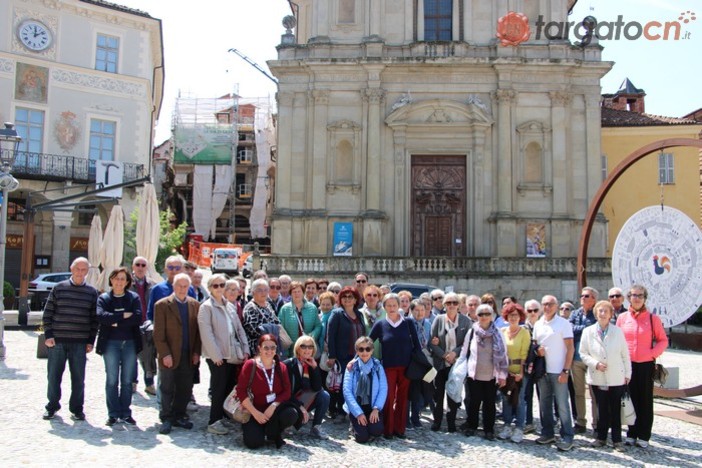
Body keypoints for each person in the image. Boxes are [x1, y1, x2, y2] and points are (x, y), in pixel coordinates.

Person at [42, 257, 99, 421]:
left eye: (83, 270)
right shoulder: (59, 288)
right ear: (72, 269)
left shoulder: (92, 292)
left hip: (80, 343)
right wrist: (48, 335)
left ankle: (77, 408)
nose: (80, 273)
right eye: (78, 269)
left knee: (79, 378)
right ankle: (52, 406)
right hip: (58, 341)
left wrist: (90, 341)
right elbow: (48, 313)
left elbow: (94, 320)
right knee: (53, 376)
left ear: (87, 272)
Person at [198, 274, 251, 435]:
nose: (219, 288)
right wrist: (216, 355)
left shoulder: (229, 306)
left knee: (228, 388)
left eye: (222, 285)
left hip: (232, 355)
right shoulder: (206, 307)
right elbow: (206, 333)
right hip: (218, 357)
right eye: (216, 286)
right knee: (218, 388)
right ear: (210, 288)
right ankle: (213, 421)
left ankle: (222, 417)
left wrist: (246, 348)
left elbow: (239, 329)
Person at [616, 284, 668, 449]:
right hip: (627, 364)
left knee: (645, 400)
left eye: (640, 295)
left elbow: (663, 340)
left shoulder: (653, 319)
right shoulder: (622, 318)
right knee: (629, 399)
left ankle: (644, 435)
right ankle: (631, 433)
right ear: (629, 297)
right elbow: (617, 340)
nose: (636, 298)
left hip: (646, 365)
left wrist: (652, 354)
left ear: (644, 298)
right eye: (633, 295)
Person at [153, 273, 201, 435]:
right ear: (173, 287)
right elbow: (158, 334)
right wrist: (164, 354)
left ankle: (179, 415)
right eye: (179, 286)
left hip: (188, 354)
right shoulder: (162, 305)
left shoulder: (195, 305)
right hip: (169, 354)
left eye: (185, 286)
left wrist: (196, 352)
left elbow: (198, 334)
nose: (182, 289)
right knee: (166, 387)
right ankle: (166, 417)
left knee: (185, 387)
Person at [579, 300, 631, 451]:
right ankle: (601, 438)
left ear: (611, 314)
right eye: (600, 311)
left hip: (616, 376)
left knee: (615, 409)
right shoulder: (588, 332)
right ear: (595, 313)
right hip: (598, 376)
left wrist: (628, 373)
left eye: (605, 311)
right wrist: (595, 364)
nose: (602, 314)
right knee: (601, 408)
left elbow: (625, 355)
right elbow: (583, 353)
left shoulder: (618, 332)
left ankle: (617, 440)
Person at [369, 293, 421, 439]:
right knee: (389, 397)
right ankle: (388, 429)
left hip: (406, 367)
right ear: (384, 307)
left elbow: (416, 345)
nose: (391, 308)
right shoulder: (380, 324)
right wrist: (356, 359)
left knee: (403, 399)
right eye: (388, 305)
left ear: (399, 306)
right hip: (388, 367)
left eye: (394, 305)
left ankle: (400, 429)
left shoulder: (408, 322)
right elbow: (368, 342)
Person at [96, 267, 143, 426]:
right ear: (111, 280)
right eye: (116, 278)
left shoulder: (133, 298)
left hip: (129, 342)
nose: (119, 282)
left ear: (127, 282)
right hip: (110, 343)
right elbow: (102, 316)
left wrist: (115, 321)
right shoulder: (104, 298)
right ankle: (113, 413)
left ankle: (125, 412)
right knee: (111, 379)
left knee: (127, 380)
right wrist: (123, 315)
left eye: (123, 279)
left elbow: (137, 318)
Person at [237, 334, 297, 449]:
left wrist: (274, 405)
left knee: (291, 414)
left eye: (273, 347)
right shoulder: (250, 365)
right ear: (259, 348)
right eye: (266, 348)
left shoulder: (282, 367)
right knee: (253, 443)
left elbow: (287, 391)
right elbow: (241, 391)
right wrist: (255, 412)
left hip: (273, 410)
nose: (270, 351)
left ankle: (273, 432)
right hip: (253, 410)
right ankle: (259, 430)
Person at [533, 295, 575, 451]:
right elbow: (535, 346)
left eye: (550, 304)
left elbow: (570, 348)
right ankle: (548, 432)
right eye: (544, 304)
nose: (547, 307)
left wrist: (566, 370)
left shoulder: (563, 324)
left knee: (563, 404)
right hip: (543, 371)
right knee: (544, 404)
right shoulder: (538, 324)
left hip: (559, 371)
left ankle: (567, 436)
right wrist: (538, 351)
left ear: (556, 306)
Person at [460, 304, 508, 440]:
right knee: (474, 402)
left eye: (487, 314)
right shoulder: (472, 332)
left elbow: (504, 355)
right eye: (481, 314)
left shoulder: (498, 333)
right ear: (477, 316)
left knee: (489, 403)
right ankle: (472, 426)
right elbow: (464, 352)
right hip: (474, 373)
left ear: (492, 315)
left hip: (491, 374)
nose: (484, 317)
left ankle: (488, 429)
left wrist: (502, 375)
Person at [428, 292, 471, 433]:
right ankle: (437, 421)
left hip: (456, 364)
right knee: (438, 395)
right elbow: (432, 342)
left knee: (453, 394)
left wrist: (454, 353)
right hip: (440, 363)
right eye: (448, 303)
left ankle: (451, 421)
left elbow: (468, 342)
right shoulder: (439, 320)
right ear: (444, 305)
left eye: (454, 303)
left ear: (459, 305)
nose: (451, 305)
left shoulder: (465, 321)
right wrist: (444, 355)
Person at [326, 286, 367, 419]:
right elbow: (330, 335)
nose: (347, 299)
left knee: (354, 384)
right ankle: (339, 410)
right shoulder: (337, 313)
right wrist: (331, 356)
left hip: (357, 356)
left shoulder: (359, 314)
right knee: (342, 384)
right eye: (344, 296)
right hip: (341, 356)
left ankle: (351, 410)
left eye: (350, 297)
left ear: (356, 299)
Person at [343, 336, 388, 443]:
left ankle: (368, 425)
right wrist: (358, 413)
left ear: (372, 350)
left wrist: (376, 409)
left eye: (367, 349)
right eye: (361, 349)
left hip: (372, 407)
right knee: (362, 438)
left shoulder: (378, 366)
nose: (364, 352)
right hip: (357, 408)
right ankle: (354, 425)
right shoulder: (351, 367)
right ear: (357, 351)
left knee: (377, 431)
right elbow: (347, 390)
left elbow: (383, 388)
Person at [284, 336, 330, 439]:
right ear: (297, 348)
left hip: (304, 399)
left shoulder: (311, 364)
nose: (307, 350)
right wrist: (300, 407)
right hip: (289, 401)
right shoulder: (288, 364)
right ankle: (288, 423)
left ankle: (316, 427)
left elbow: (317, 388)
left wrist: (314, 368)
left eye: (310, 347)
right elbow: (285, 393)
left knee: (324, 395)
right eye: (303, 346)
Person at [498, 303, 530, 443]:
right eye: (511, 315)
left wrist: (521, 373)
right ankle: (506, 425)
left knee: (520, 400)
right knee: (506, 398)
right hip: (505, 370)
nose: (513, 318)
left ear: (520, 317)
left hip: (518, 370)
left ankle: (519, 427)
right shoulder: (503, 331)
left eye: (516, 315)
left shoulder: (524, 332)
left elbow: (525, 354)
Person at [569, 287, 598, 433]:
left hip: (593, 359)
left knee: (594, 393)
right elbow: (570, 328)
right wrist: (585, 328)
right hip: (577, 358)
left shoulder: (598, 313)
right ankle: (580, 422)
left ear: (594, 299)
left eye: (586, 296)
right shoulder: (575, 313)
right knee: (578, 392)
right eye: (582, 296)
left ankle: (596, 423)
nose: (583, 298)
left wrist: (579, 329)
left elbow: (595, 330)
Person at [130, 256, 156, 395]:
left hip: (147, 324)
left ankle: (149, 383)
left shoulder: (152, 284)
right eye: (138, 264)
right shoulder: (127, 283)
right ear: (133, 267)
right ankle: (133, 383)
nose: (140, 267)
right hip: (131, 325)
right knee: (131, 355)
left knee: (148, 355)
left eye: (143, 265)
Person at [278, 281, 322, 358]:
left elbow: (318, 326)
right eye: (294, 292)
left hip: (308, 350)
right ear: (290, 293)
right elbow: (280, 329)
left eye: (299, 291)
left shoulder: (312, 308)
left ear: (303, 293)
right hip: (290, 351)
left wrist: (312, 336)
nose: (297, 294)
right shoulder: (284, 309)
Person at [147, 255, 196, 322]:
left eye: (177, 268)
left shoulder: (189, 289)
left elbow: (194, 312)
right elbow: (150, 314)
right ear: (165, 270)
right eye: (170, 267)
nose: (174, 270)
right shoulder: (157, 289)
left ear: (182, 270)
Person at [407, 299, 431, 429]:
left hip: (422, 361)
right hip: (410, 360)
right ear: (411, 311)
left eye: (422, 310)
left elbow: (430, 341)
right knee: (408, 391)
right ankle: (406, 419)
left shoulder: (427, 324)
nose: (420, 313)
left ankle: (416, 416)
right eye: (417, 310)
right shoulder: (406, 323)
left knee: (420, 391)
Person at [242, 279, 280, 355]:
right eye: (259, 290)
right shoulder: (250, 308)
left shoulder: (268, 305)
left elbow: (277, 322)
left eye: (266, 290)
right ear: (253, 293)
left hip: (271, 347)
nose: (263, 293)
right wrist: (272, 329)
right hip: (258, 349)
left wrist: (269, 328)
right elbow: (254, 330)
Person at [521, 299, 541, 435]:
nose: (532, 313)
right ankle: (528, 422)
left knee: (544, 395)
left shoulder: (544, 327)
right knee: (526, 395)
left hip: (542, 366)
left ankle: (547, 423)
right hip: (527, 365)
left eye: (535, 310)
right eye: (529, 311)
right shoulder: (523, 329)